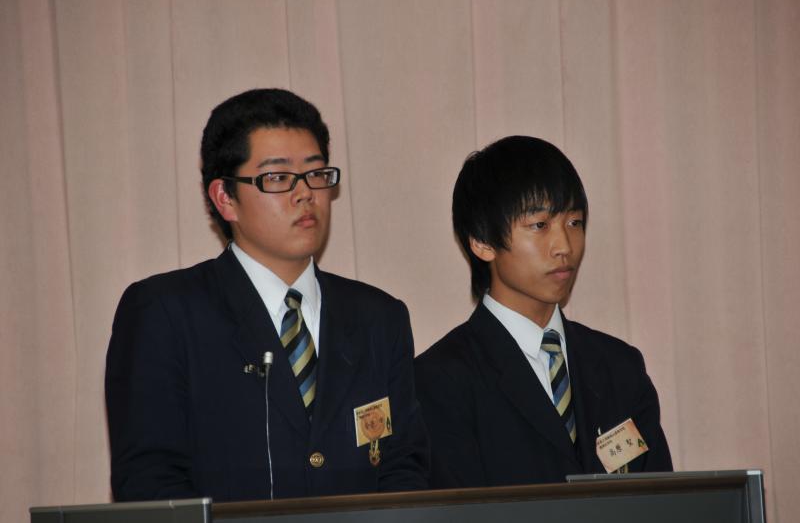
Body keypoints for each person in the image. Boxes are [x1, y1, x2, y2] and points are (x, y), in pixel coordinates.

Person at [106, 88, 428, 502]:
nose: (305, 193)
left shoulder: (379, 318)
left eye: (316, 173)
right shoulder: (165, 312)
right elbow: (151, 484)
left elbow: (404, 469)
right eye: (277, 177)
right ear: (225, 198)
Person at [414, 135, 671, 489]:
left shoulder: (619, 367)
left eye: (574, 222)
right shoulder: (441, 380)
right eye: (539, 225)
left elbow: (663, 502)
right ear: (482, 241)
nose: (564, 246)